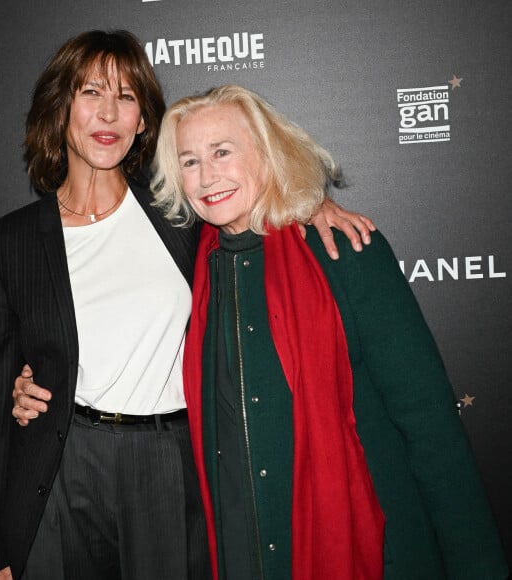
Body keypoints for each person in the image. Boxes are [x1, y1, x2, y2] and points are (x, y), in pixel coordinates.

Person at [0, 31, 374, 580]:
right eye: (92, 92)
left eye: (127, 97)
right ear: (62, 107)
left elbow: (250, 189)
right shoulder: (7, 242)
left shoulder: (179, 212)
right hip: (60, 465)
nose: (108, 113)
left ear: (143, 121)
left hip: (166, 461)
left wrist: (315, 202)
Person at [150, 84, 508, 579]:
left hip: (370, 549)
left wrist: (478, 565)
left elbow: (429, 425)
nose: (207, 175)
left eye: (222, 152)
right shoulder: (188, 270)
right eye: (188, 161)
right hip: (242, 554)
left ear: (267, 152)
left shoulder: (344, 252)